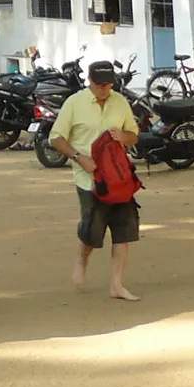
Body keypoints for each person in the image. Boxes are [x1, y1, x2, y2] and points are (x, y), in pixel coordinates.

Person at [50, 61, 141, 300]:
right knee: (92, 230)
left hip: (118, 178)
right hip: (88, 178)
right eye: (99, 84)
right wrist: (79, 158)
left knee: (124, 231)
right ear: (89, 80)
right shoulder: (74, 103)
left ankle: (117, 285)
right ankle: (82, 260)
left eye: (108, 84)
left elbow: (133, 135)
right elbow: (56, 138)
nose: (104, 88)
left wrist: (124, 136)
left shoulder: (120, 102)